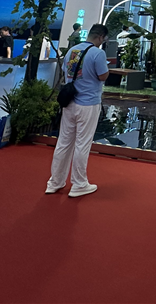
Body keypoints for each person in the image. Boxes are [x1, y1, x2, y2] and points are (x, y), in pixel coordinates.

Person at [46, 24, 109, 198]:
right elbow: (103, 76)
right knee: (82, 144)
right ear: (101, 37)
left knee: (63, 142)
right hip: (88, 103)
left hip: (69, 102)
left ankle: (55, 182)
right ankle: (79, 184)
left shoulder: (71, 51)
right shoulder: (98, 53)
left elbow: (66, 72)